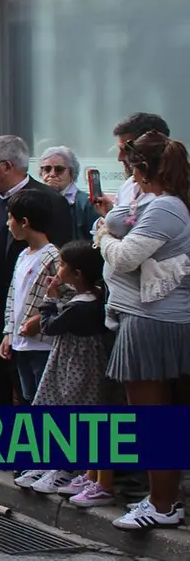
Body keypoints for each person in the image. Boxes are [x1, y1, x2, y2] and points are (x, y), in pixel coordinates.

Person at [95, 131, 190, 530]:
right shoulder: (159, 202)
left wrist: (102, 234)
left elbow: (124, 257)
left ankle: (163, 506)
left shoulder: (166, 207)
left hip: (152, 321)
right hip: (148, 318)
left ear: (142, 168)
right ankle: (161, 500)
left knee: (152, 421)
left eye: (130, 165)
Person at [0, 135, 71, 406]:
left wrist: (38, 315)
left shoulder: (48, 201)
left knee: (28, 392)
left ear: (8, 166)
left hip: (27, 318)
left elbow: (59, 265)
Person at [32, 241, 116, 508]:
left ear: (77, 273)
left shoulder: (79, 306)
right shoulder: (97, 298)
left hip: (76, 367)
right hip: (87, 364)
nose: (59, 268)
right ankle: (89, 475)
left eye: (63, 264)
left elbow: (50, 326)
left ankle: (92, 478)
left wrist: (50, 298)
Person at [0, 190, 60, 411]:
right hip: (20, 343)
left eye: (10, 218)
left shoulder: (54, 257)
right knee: (27, 395)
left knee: (44, 397)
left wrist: (40, 320)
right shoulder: (23, 255)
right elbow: (13, 296)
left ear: (24, 222)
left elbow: (65, 299)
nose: (7, 224)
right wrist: (9, 332)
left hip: (42, 344)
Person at [38, 146, 98, 241]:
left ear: (72, 173)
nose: (52, 174)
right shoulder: (36, 201)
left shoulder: (87, 203)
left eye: (59, 169)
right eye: (47, 169)